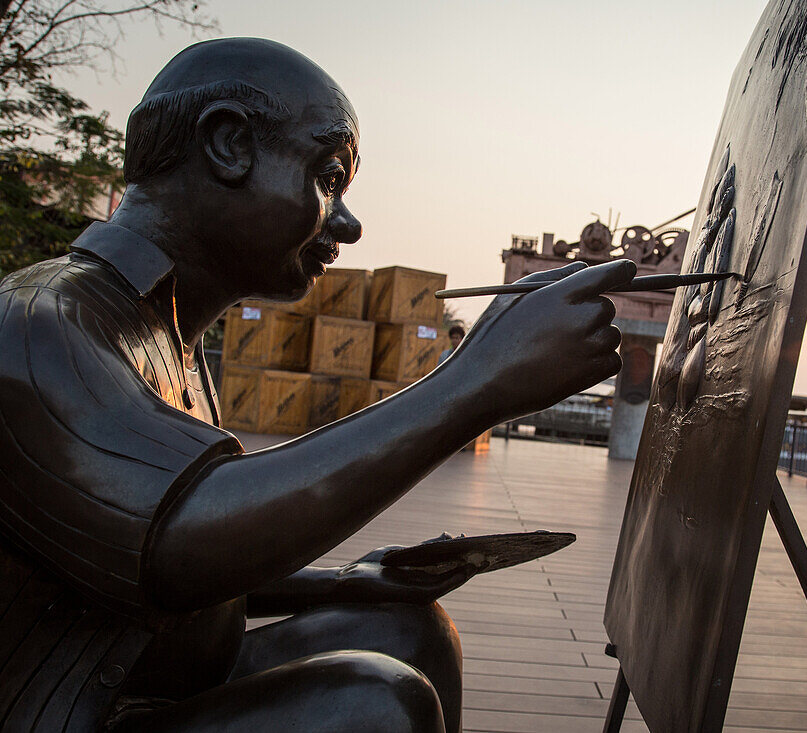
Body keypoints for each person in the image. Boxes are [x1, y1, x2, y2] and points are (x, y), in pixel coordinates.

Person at [0, 38, 633, 732]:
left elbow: (162, 552)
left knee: (408, 630)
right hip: (73, 710)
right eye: (328, 176)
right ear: (229, 144)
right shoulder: (44, 322)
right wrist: (475, 383)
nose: (348, 223)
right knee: (372, 702)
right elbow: (173, 544)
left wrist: (341, 580)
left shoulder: (165, 332)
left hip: (159, 676)